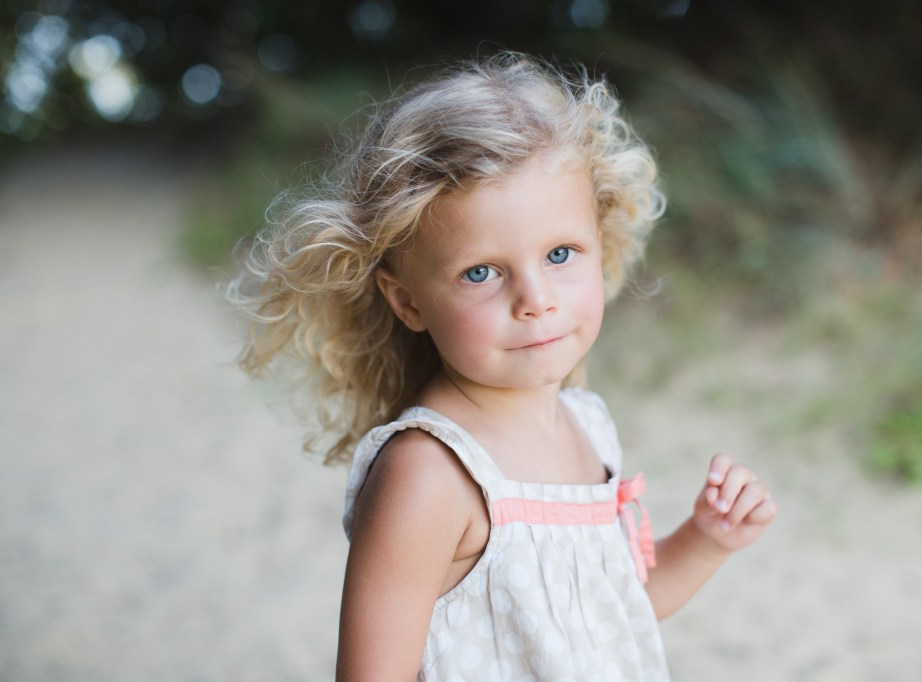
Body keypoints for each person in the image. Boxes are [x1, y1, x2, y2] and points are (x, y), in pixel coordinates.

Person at [228, 52, 777, 681]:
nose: (535, 299)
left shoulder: (586, 423)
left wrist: (707, 539)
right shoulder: (428, 475)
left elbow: (608, 621)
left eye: (561, 254)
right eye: (482, 272)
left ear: (601, 245)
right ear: (408, 301)